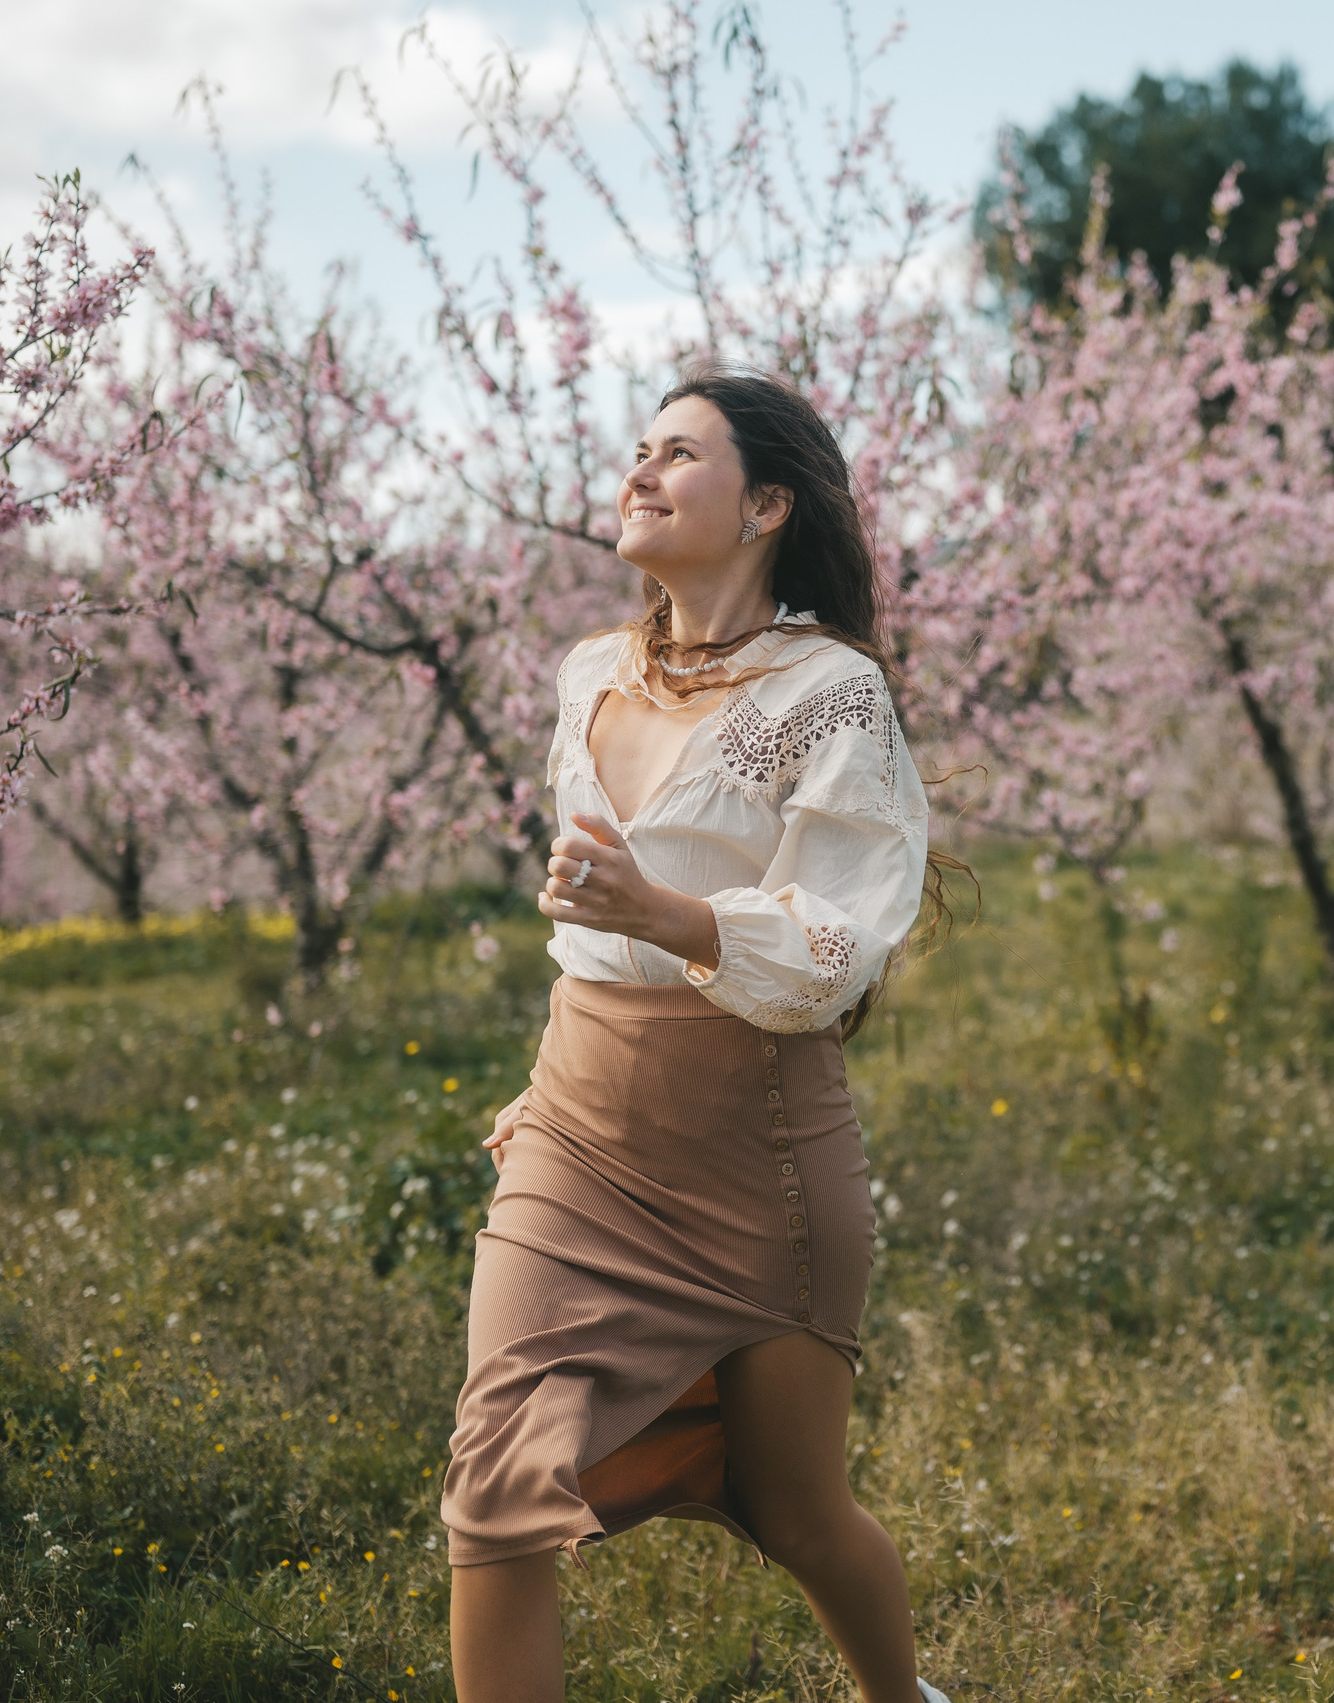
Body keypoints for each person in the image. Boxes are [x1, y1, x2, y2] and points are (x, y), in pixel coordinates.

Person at [443, 367, 958, 1703]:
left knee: (794, 1512)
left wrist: (665, 911)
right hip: (578, 1133)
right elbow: (591, 937)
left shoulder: (830, 694)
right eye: (638, 449)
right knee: (494, 1489)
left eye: (679, 453)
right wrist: (544, 1082)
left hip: (759, 1160)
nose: (641, 470)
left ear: (769, 503)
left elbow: (838, 947)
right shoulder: (590, 674)